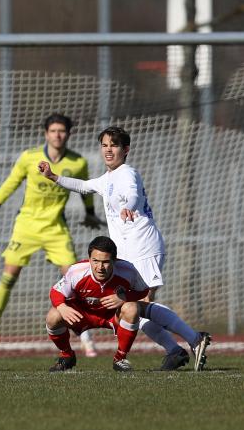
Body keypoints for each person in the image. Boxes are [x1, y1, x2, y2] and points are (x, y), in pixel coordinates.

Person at [39, 126, 211, 371]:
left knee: (141, 304)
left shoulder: (127, 173)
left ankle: (194, 339)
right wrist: (54, 177)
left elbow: (132, 194)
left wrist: (128, 206)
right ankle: (176, 350)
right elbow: (85, 186)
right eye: (105, 145)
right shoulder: (107, 178)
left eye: (115, 145)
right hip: (128, 251)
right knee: (135, 311)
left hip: (142, 246)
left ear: (126, 149)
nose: (108, 149)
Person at [0, 114, 103, 358]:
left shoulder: (77, 162)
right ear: (46, 133)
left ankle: (85, 336)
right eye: (53, 130)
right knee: (9, 277)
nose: (57, 135)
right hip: (27, 226)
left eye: (61, 131)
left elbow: (83, 189)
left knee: (75, 280)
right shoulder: (30, 157)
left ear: (68, 134)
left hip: (56, 228)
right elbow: (11, 182)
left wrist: (90, 213)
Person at [46, 236, 145, 372]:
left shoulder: (127, 270)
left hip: (112, 316)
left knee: (132, 308)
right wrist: (62, 306)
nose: (100, 267)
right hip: (82, 316)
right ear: (89, 259)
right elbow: (55, 291)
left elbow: (143, 290)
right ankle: (67, 355)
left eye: (105, 262)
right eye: (95, 261)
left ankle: (120, 358)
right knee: (53, 316)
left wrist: (124, 297)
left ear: (114, 260)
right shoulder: (77, 271)